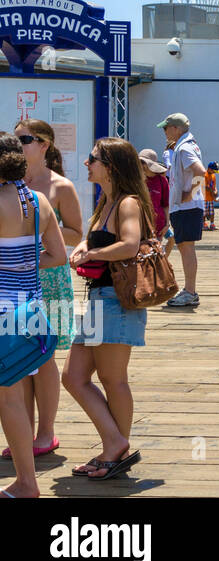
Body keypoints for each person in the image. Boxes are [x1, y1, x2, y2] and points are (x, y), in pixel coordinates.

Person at [64, 137, 152, 482]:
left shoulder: (128, 202)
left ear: (111, 166)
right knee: (73, 377)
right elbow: (98, 237)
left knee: (113, 380)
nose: (87, 164)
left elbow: (129, 245)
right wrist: (85, 245)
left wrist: (92, 254)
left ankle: (113, 449)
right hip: (99, 300)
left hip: (116, 301)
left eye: (93, 159)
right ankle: (115, 442)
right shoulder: (108, 201)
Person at [3, 121, 80, 467]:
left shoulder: (56, 187)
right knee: (22, 367)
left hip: (25, 294)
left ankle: (39, 443)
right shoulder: (32, 197)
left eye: (27, 139)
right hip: (31, 292)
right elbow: (55, 252)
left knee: (29, 374)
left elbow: (75, 236)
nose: (22, 144)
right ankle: (26, 444)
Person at [160, 113, 204, 308]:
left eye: (166, 127)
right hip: (188, 207)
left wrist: (189, 194)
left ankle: (190, 290)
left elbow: (200, 171)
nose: (164, 131)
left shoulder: (184, 148)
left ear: (176, 128)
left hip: (187, 207)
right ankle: (189, 289)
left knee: (186, 249)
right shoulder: (188, 145)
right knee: (186, 248)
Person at [202, 162, 219, 230]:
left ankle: (212, 224)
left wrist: (216, 191)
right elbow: (206, 187)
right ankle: (204, 223)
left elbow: (214, 186)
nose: (214, 172)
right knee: (204, 212)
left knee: (212, 212)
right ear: (209, 168)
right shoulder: (204, 175)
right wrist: (213, 193)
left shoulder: (213, 175)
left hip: (210, 198)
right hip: (205, 197)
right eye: (213, 170)